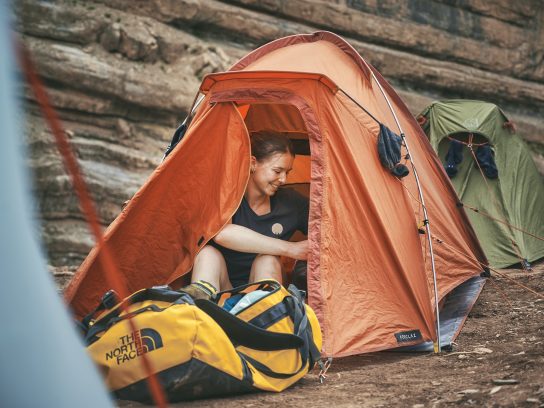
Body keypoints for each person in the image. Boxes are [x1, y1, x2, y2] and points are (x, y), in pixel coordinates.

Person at [183, 130, 309, 299]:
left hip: (260, 289)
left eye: (288, 172)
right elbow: (222, 234)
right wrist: (291, 249)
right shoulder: (228, 194)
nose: (283, 179)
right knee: (208, 253)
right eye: (277, 171)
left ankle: (265, 313)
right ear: (253, 163)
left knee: (268, 259)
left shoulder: (292, 203)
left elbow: (329, 232)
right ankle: (201, 309)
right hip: (221, 288)